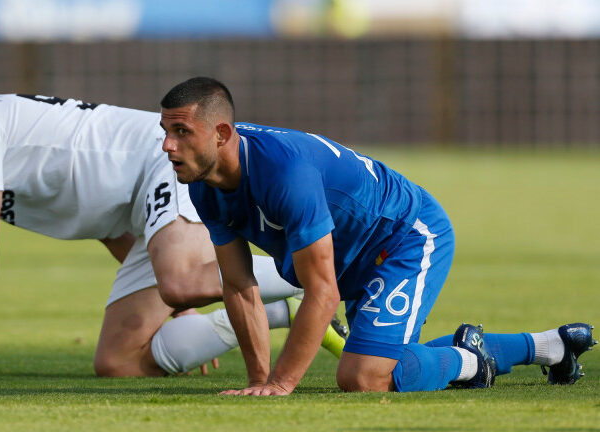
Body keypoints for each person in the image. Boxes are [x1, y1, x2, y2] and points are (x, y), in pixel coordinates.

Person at [0, 66, 348, 380]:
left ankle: (327, 281)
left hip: (159, 159)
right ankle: (295, 307)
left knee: (179, 281)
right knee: (118, 362)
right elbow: (101, 219)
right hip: (136, 207)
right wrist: (181, 309)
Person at [158, 76, 596, 395]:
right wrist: (257, 382)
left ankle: (470, 362)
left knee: (364, 376)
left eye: (182, 132)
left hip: (405, 235)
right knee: (379, 362)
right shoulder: (201, 184)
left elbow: (322, 291)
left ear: (221, 134)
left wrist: (281, 384)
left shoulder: (284, 172)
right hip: (354, 256)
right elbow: (238, 284)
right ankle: (550, 346)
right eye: (166, 132)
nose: (167, 146)